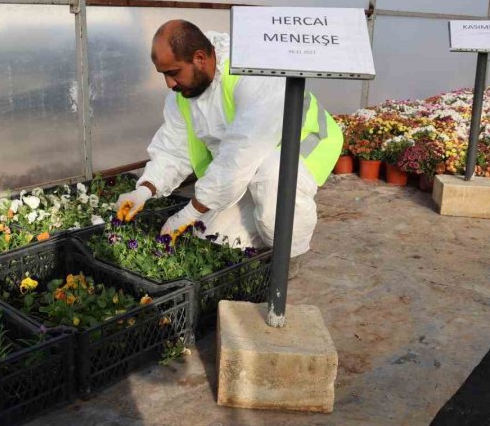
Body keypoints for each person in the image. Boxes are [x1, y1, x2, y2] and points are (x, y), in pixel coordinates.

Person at [114, 20, 341, 277]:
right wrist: (144, 190)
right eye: (163, 74)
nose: (169, 83)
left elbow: (241, 154)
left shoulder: (252, 72)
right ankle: (265, 240)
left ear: (200, 58)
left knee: (270, 185)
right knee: (210, 235)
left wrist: (189, 212)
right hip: (243, 165)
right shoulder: (183, 95)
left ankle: (289, 259)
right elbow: (172, 148)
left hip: (298, 147)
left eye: (173, 72)